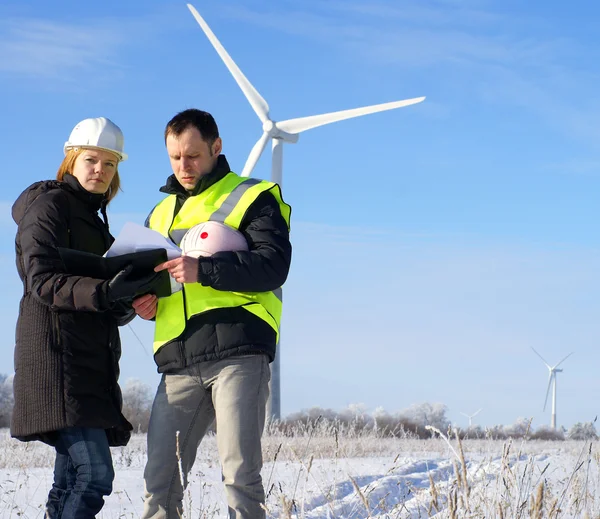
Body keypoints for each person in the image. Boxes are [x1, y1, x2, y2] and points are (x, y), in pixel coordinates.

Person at [133, 108, 292, 519]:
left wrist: (203, 270)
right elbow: (156, 280)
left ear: (216, 147)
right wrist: (144, 305)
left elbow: (274, 266)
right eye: (174, 157)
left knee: (240, 479)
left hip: (239, 351)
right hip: (178, 361)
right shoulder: (158, 214)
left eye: (192, 155)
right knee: (159, 484)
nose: (183, 166)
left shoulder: (253, 195)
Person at [11, 117, 161, 519]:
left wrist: (130, 300)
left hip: (90, 363)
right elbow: (42, 280)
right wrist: (105, 291)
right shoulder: (48, 207)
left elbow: (103, 300)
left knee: (69, 480)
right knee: (94, 475)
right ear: (71, 159)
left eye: (110, 164)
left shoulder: (97, 223)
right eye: (92, 160)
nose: (101, 170)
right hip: (56, 359)